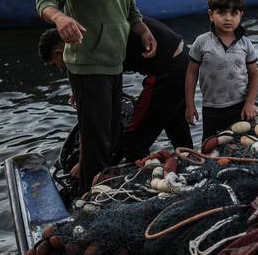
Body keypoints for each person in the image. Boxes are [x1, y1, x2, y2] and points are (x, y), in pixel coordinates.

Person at [35, 0, 156, 192]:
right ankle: (91, 201)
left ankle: (97, 188)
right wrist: (59, 19)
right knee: (96, 140)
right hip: (88, 67)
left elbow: (129, 8)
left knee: (111, 134)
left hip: (114, 63)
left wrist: (142, 30)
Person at [38, 16, 193, 163]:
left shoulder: (88, 46)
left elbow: (102, 98)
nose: (60, 68)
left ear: (59, 53)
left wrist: (85, 161)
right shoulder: (90, 31)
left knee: (133, 141)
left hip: (169, 70)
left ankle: (138, 185)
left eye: (55, 64)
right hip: (182, 58)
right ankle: (191, 167)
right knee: (178, 133)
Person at [185, 0, 258, 141]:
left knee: (240, 143)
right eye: (222, 13)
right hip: (211, 108)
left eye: (234, 13)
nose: (228, 18)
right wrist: (190, 105)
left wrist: (250, 103)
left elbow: (254, 75)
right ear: (211, 15)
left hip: (239, 106)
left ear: (241, 16)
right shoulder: (202, 42)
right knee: (211, 146)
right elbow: (191, 73)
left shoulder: (246, 44)